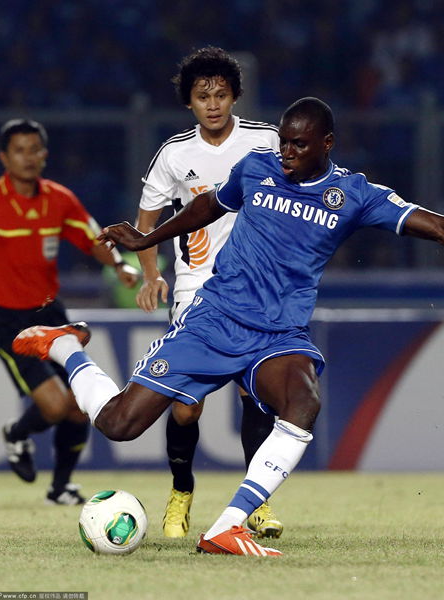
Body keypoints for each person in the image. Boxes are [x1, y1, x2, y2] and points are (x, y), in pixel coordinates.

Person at [13, 98, 444, 552]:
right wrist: (147, 237)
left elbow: (436, 227)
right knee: (118, 424)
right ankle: (67, 349)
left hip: (277, 337)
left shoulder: (353, 195)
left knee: (305, 400)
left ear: (327, 144)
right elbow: (210, 207)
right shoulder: (257, 168)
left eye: (300, 144)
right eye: (283, 141)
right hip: (214, 321)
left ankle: (228, 525)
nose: (287, 152)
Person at [134, 46, 283, 538]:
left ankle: (252, 505)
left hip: (258, 286)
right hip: (196, 286)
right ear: (189, 102)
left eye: (221, 94)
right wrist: (152, 273)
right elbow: (147, 221)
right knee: (185, 405)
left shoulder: (266, 141)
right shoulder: (175, 154)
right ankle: (181, 493)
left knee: (256, 393)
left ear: (235, 96)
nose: (213, 104)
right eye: (203, 96)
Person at [0, 118, 139, 504]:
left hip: (50, 313)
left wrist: (120, 265)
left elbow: (92, 237)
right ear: (4, 157)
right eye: (19, 150)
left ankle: (60, 488)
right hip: (6, 319)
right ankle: (16, 434)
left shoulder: (59, 199)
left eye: (34, 149)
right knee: (57, 404)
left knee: (82, 402)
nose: (28, 157)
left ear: (45, 155)